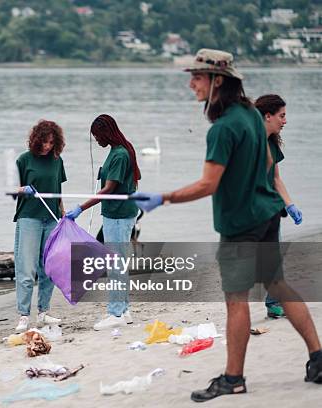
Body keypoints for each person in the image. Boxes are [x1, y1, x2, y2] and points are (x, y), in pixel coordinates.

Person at [133, 49, 322, 401]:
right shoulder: (251, 114)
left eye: (197, 77)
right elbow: (266, 158)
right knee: (277, 284)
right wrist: (263, 191)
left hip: (241, 224)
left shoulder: (222, 129)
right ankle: (318, 357)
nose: (192, 84)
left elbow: (208, 185)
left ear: (218, 80)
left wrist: (163, 197)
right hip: (266, 215)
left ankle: (233, 378)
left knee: (236, 301)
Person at [65, 114, 141, 330]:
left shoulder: (119, 154)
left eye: (98, 136)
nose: (96, 140)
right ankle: (124, 310)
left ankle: (115, 312)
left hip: (117, 215)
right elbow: (135, 178)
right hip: (122, 213)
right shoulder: (123, 149)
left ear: (106, 132)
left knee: (116, 264)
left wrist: (81, 208)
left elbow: (109, 189)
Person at [14, 120, 66, 332]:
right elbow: (10, 188)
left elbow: (58, 190)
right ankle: (24, 316)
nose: (47, 146)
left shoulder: (57, 160)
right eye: (44, 142)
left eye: (51, 143)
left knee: (49, 268)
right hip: (29, 217)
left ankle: (43, 313)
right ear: (36, 140)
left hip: (52, 217)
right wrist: (22, 189)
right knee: (26, 268)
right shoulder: (24, 160)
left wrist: (64, 215)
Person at [255, 94, 303, 318]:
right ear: (267, 116)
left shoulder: (272, 144)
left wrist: (290, 204)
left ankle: (273, 302)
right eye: (282, 116)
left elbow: (276, 179)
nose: (285, 121)